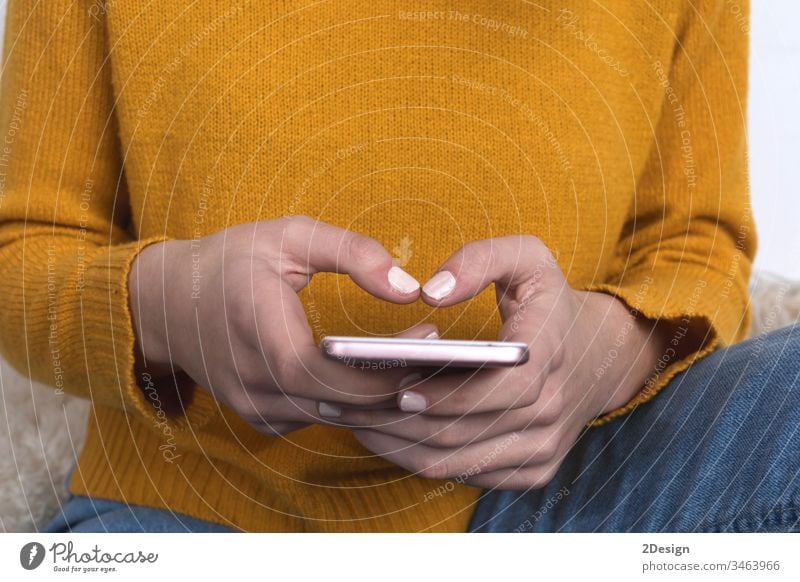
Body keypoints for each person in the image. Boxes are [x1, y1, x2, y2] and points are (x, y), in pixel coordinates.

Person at [0, 0, 796, 533]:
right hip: (200, 511)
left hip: (575, 494)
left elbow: (696, 239)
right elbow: (22, 250)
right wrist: (170, 303)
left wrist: (601, 355)